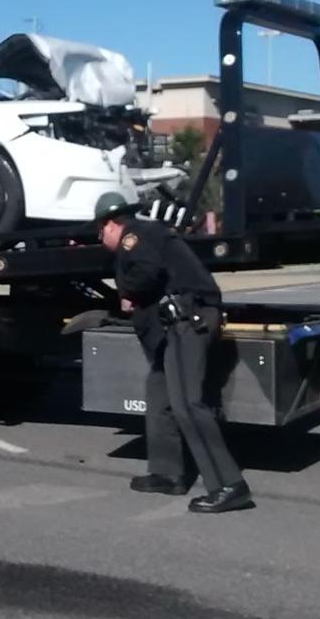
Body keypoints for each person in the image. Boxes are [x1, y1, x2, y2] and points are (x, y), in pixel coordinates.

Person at [93, 192, 254, 514]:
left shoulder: (133, 236)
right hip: (180, 320)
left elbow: (147, 273)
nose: (101, 239)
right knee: (159, 392)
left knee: (187, 403)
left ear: (111, 224)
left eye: (99, 233)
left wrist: (127, 294)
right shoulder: (151, 233)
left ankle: (228, 484)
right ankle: (168, 474)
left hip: (186, 319)